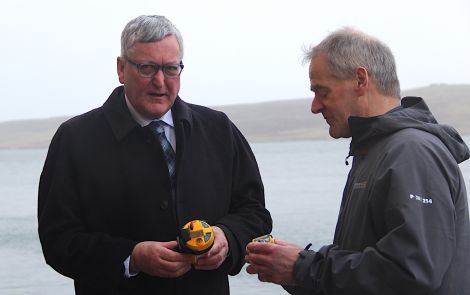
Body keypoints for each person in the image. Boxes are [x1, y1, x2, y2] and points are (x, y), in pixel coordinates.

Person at [38, 15, 272, 295]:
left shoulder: (218, 130)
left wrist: (227, 238)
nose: (160, 81)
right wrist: (132, 257)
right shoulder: (74, 139)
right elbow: (58, 241)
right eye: (147, 68)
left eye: (171, 69)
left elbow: (255, 213)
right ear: (121, 69)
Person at [245, 27, 470, 294]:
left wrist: (303, 268)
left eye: (322, 92)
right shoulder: (374, 151)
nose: (314, 106)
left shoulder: (411, 152)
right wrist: (295, 272)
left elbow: (411, 273)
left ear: (361, 80)